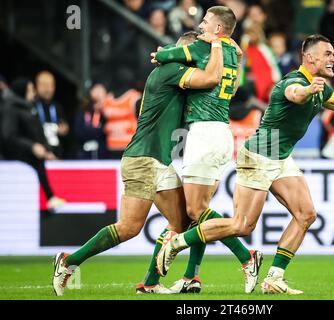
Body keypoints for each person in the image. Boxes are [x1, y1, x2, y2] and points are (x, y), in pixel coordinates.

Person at [156, 34, 334, 295]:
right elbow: (294, 94)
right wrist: (308, 91)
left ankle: (274, 277)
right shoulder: (296, 82)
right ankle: (178, 242)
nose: (333, 58)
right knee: (242, 225)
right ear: (310, 58)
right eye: (328, 53)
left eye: (333, 53)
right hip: (262, 153)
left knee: (306, 214)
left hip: (280, 155)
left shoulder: (320, 88)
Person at [52, 31, 226, 296]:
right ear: (186, 52)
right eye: (197, 52)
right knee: (130, 228)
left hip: (160, 160)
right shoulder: (171, 70)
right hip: (143, 159)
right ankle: (69, 261)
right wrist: (216, 44)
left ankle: (152, 282)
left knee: (186, 221)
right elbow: (213, 78)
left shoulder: (174, 73)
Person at [150, 6, 262, 294]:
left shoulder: (207, 48)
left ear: (218, 29)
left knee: (195, 210)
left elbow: (174, 56)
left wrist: (161, 54)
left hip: (204, 132)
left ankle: (245, 256)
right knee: (196, 213)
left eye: (205, 22)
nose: (200, 25)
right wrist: (238, 56)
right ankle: (191, 276)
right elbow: (232, 89)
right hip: (221, 133)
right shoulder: (229, 54)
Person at [1, 78, 66, 210]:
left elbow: (37, 133)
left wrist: (46, 150)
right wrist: (31, 147)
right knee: (37, 162)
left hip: (33, 152)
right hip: (16, 155)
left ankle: (50, 198)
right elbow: (8, 136)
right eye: (31, 90)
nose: (34, 93)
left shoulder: (28, 107)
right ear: (23, 91)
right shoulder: (11, 108)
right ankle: (50, 197)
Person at [34, 71, 69, 159]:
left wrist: (64, 129)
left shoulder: (57, 107)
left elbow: (64, 126)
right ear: (36, 86)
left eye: (50, 85)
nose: (47, 89)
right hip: (39, 153)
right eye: (44, 85)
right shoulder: (32, 106)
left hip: (56, 151)